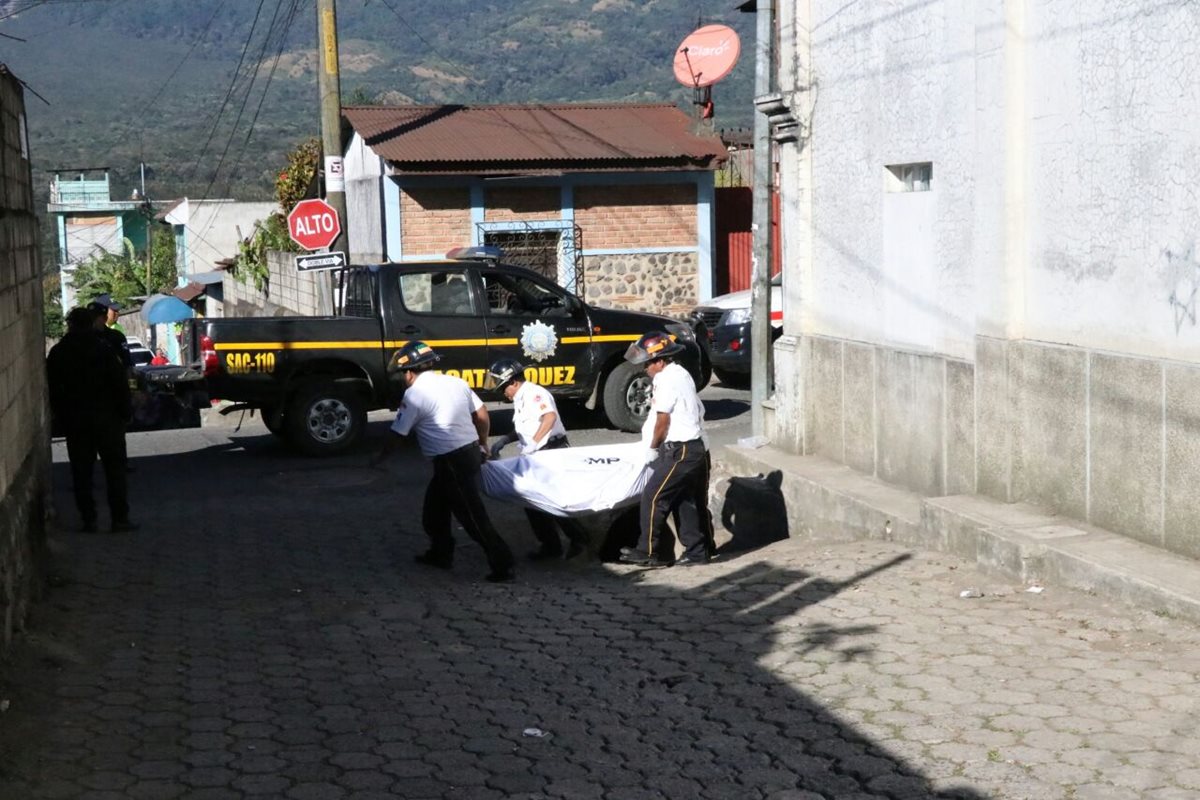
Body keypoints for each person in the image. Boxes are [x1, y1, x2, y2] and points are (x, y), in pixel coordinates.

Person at [371, 341, 516, 583]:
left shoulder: (414, 394)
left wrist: (380, 457)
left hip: (451, 460)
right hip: (467, 453)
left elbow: (398, 433)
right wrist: (483, 443)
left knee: (472, 516)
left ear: (409, 372)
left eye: (402, 373)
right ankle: (440, 553)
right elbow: (481, 415)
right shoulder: (455, 382)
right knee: (434, 511)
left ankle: (503, 563)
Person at [619, 331, 711, 568]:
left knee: (653, 496)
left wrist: (652, 448)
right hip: (691, 449)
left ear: (660, 361)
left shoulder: (668, 379)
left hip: (681, 451)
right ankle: (697, 552)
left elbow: (662, 421)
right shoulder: (680, 374)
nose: (646, 369)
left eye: (648, 363)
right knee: (684, 501)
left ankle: (647, 550)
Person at [485, 357, 588, 561]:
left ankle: (579, 539)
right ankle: (551, 546)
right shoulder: (520, 398)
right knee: (531, 501)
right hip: (536, 455)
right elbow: (526, 426)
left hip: (550, 451)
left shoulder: (534, 393)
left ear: (513, 382)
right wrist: (505, 439)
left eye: (503, 387)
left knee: (550, 500)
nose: (502, 392)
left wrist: (534, 442)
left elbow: (548, 418)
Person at [46, 307, 138, 533]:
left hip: (76, 421)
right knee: (114, 470)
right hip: (108, 419)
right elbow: (119, 385)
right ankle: (119, 518)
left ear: (70, 325)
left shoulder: (59, 353)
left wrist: (60, 417)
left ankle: (89, 519)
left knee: (81, 472)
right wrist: (126, 413)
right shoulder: (104, 350)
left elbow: (53, 390)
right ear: (90, 324)